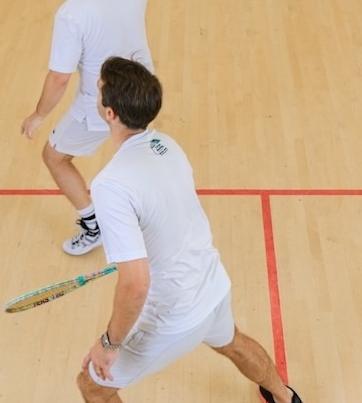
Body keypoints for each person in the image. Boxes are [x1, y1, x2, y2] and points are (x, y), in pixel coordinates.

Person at [77, 56, 304, 403]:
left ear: (110, 113)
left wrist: (109, 345)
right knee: (232, 341)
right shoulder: (166, 144)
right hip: (212, 285)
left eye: (99, 90)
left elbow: (136, 284)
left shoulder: (110, 185)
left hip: (174, 315)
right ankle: (284, 397)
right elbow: (166, 218)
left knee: (93, 385)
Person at [21, 0, 203, 256]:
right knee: (135, 151)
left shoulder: (72, 13)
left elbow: (60, 77)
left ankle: (94, 226)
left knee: (55, 156)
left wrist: (38, 115)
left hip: (103, 107)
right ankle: (155, 216)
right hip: (144, 91)